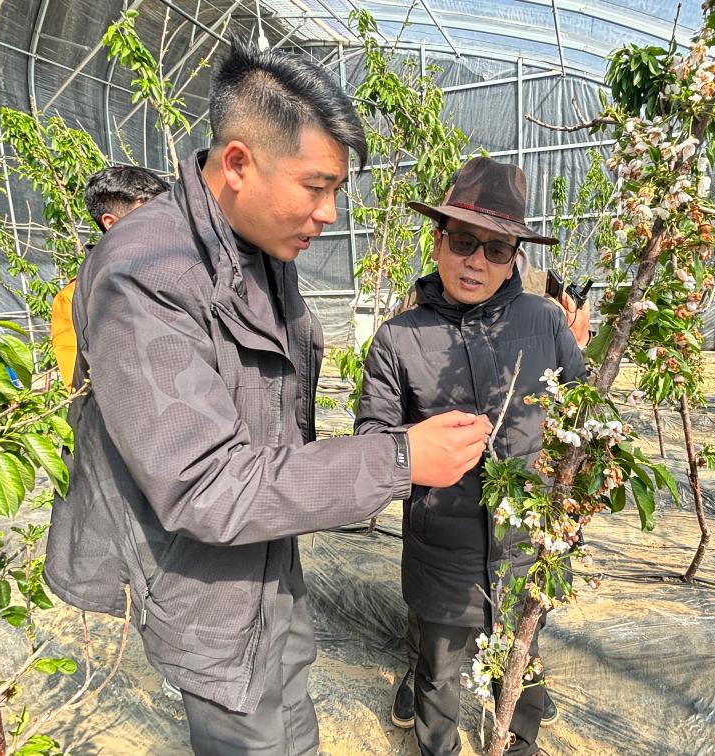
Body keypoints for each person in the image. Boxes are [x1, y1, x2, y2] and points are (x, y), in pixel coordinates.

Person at [43, 39, 492, 755]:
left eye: (337, 190)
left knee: (293, 719)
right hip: (205, 586)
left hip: (266, 557)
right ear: (238, 164)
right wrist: (399, 458)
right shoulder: (145, 275)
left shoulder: (255, 246)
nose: (330, 213)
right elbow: (205, 486)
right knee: (248, 732)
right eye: (316, 187)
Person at [355, 156, 587, 755]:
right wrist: (413, 452)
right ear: (438, 243)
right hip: (443, 554)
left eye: (496, 249)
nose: (476, 262)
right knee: (440, 672)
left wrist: (572, 502)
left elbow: (580, 416)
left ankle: (520, 740)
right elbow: (372, 444)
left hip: (528, 544)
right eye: (463, 242)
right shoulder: (399, 339)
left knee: (523, 657)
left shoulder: (546, 322)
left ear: (515, 258)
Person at [50, 166, 169, 387]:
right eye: (152, 216)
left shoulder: (181, 271)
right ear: (111, 223)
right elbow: (79, 384)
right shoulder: (73, 299)